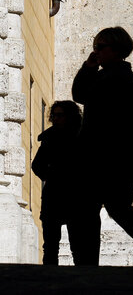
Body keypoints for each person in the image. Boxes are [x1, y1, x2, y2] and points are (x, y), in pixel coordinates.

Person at [72, 26, 133, 265]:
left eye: (101, 47)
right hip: (102, 155)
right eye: (95, 46)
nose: (96, 51)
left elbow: (82, 95)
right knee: (97, 209)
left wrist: (89, 70)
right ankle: (87, 264)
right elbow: (80, 95)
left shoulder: (118, 78)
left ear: (117, 49)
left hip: (108, 156)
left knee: (109, 208)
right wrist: (89, 68)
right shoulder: (108, 75)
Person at [32, 101, 83, 265]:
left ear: (70, 117)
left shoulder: (81, 136)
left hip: (75, 196)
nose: (55, 119)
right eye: (53, 115)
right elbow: (37, 165)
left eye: (60, 115)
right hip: (52, 197)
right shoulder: (49, 138)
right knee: (50, 248)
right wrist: (51, 176)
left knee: (78, 247)